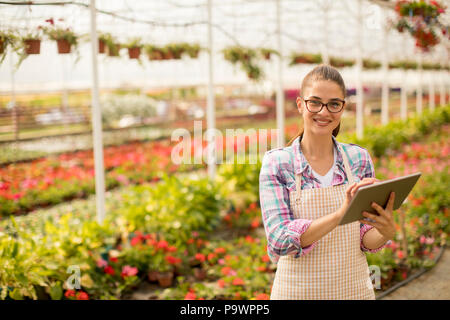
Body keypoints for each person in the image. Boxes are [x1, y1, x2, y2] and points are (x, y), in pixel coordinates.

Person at [259, 64, 396, 300]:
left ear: (343, 107)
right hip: (297, 293)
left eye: (334, 104)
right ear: (301, 104)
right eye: (315, 102)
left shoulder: (358, 159)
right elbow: (279, 240)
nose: (324, 112)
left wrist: (385, 231)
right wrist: (340, 214)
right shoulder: (278, 163)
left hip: (353, 291)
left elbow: (363, 236)